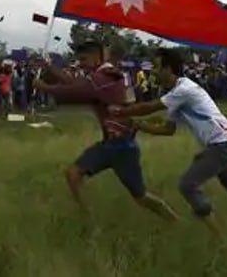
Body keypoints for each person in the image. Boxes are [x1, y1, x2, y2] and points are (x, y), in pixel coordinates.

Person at [109, 48, 227, 237]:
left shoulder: (183, 89)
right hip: (224, 144)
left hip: (222, 144)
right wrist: (138, 125)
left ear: (168, 69)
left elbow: (150, 107)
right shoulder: (176, 95)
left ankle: (219, 238)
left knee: (188, 184)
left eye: (156, 67)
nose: (153, 71)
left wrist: (121, 112)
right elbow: (168, 129)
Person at [34, 40, 178, 222]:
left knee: (141, 197)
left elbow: (72, 92)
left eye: (84, 59)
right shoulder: (103, 76)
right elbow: (75, 84)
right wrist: (49, 68)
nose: (80, 63)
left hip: (122, 148)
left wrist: (43, 87)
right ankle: (89, 219)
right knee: (73, 174)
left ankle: (175, 221)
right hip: (111, 144)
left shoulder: (104, 78)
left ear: (97, 57)